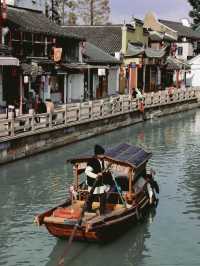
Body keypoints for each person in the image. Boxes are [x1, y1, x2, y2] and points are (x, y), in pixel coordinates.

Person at [85, 144, 110, 214]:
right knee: (92, 197)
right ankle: (89, 209)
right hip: (93, 183)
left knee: (102, 196)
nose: (103, 155)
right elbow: (87, 172)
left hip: (100, 183)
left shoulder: (101, 160)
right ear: (98, 154)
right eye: (102, 154)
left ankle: (101, 211)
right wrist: (96, 175)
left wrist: (106, 170)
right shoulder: (92, 161)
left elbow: (100, 169)